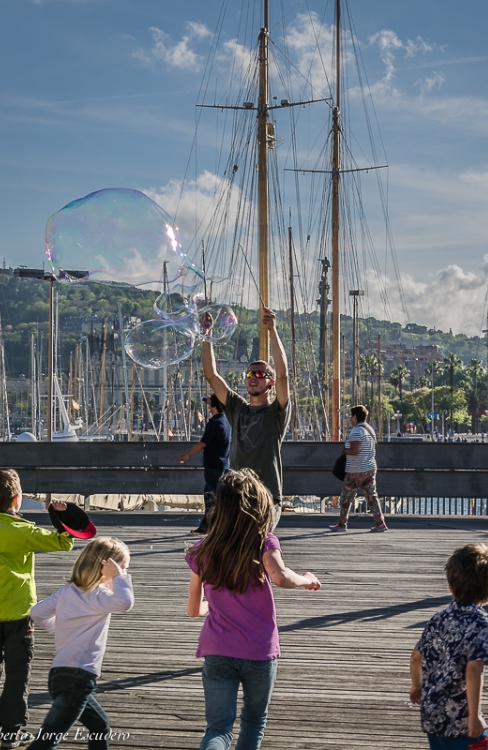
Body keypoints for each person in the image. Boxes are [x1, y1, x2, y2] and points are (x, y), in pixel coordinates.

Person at [185, 469, 320, 750]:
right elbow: (281, 577)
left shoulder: (201, 551)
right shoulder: (264, 542)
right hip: (259, 652)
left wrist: (216, 604)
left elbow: (194, 609)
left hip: (218, 651)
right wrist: (306, 579)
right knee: (254, 721)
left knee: (219, 730)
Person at [0, 469, 74, 750]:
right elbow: (65, 542)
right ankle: (10, 732)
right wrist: (59, 517)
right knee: (18, 670)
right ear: (17, 499)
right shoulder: (24, 531)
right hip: (20, 612)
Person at [26, 537, 134, 750]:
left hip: (60, 674)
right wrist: (119, 578)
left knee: (100, 727)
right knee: (47, 741)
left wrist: (58, 627)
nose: (124, 573)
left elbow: (37, 613)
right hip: (79, 676)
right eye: (123, 568)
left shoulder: (67, 591)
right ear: (107, 568)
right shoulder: (98, 595)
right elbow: (125, 603)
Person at [201, 306, 290, 530]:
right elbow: (211, 375)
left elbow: (283, 375)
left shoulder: (276, 413)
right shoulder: (237, 407)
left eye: (260, 374)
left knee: (256, 545)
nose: (253, 378)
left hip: (267, 496)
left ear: (269, 383)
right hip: (235, 495)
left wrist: (272, 331)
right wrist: (207, 334)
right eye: (250, 374)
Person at [409, 543, 488, 750]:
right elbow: (473, 670)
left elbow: (416, 656)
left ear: (451, 588)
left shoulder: (438, 618)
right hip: (460, 717)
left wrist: (417, 686)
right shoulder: (482, 623)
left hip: (432, 713)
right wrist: (475, 715)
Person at [329, 405, 388, 532]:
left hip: (356, 470)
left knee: (346, 497)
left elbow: (354, 450)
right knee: (372, 496)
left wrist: (345, 451)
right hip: (370, 468)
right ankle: (380, 523)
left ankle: (342, 524)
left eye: (351, 416)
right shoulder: (370, 430)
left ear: (355, 417)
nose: (350, 419)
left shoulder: (357, 431)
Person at [178, 393, 231, 535]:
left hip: (213, 466)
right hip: (224, 465)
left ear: (214, 406)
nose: (208, 405)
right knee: (219, 497)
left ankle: (207, 527)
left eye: (210, 403)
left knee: (210, 497)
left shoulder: (214, 423)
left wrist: (186, 455)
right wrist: (211, 399)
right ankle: (220, 526)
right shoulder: (225, 421)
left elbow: (202, 444)